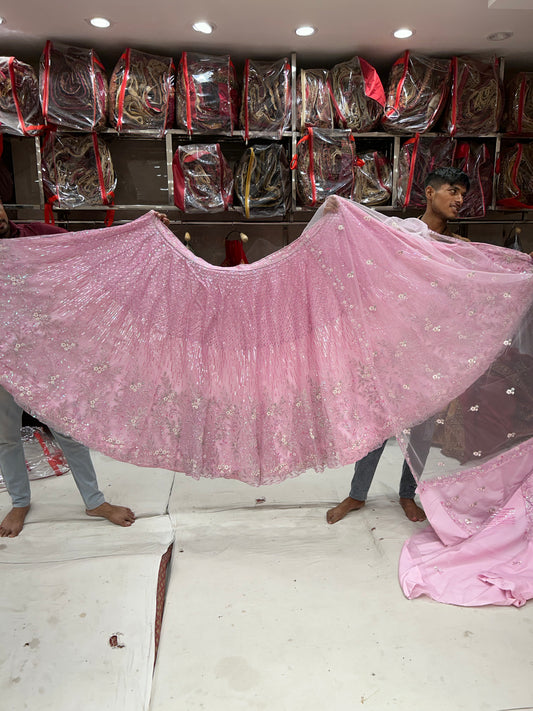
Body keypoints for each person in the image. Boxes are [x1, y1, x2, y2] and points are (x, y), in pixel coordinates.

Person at [0, 202, 169, 537]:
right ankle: (20, 502)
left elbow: (90, 247)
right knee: (5, 438)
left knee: (69, 431)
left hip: (41, 357)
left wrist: (139, 230)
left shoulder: (34, 236)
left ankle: (94, 501)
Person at [327, 167, 471, 525]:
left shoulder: (458, 248)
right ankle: (357, 495)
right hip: (392, 346)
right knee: (377, 425)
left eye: (463, 195)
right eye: (452, 191)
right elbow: (360, 228)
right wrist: (337, 209)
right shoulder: (402, 232)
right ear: (429, 192)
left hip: (432, 351)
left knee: (422, 431)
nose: (459, 200)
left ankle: (408, 494)